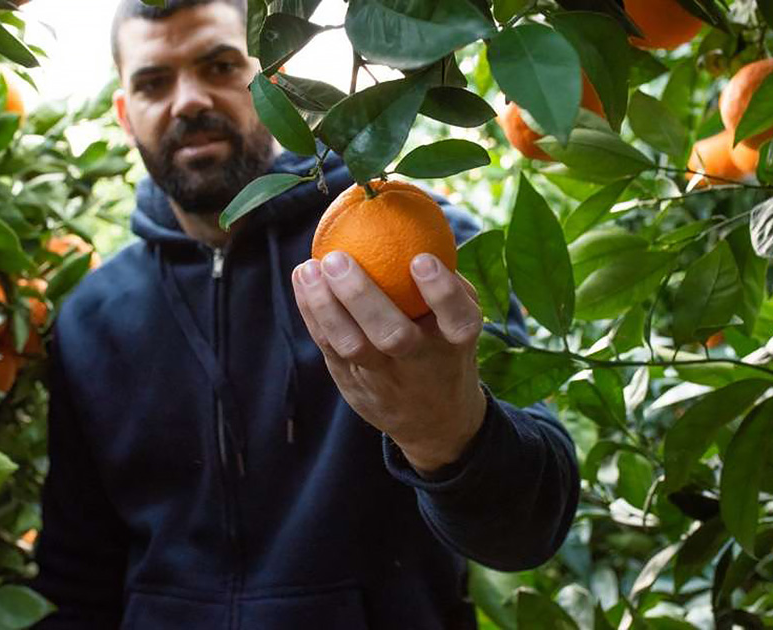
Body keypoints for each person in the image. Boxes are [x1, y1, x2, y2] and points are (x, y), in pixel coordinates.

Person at [31, 0, 580, 627]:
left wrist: (448, 435)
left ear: (276, 79)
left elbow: (534, 527)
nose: (187, 100)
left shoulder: (422, 250)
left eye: (218, 65)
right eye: (154, 82)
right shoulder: (91, 320)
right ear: (126, 115)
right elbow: (77, 576)